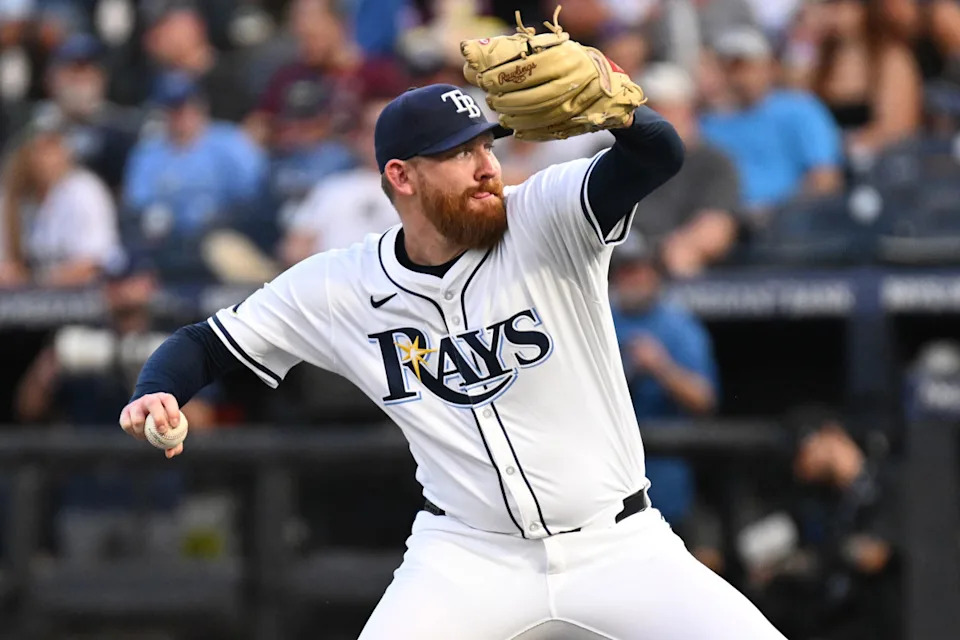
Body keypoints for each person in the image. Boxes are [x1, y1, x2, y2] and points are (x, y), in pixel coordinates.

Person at [118, 82, 786, 638]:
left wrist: (612, 100)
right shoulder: (341, 286)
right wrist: (158, 389)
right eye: (457, 154)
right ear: (400, 177)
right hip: (470, 555)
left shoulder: (546, 216)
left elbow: (655, 156)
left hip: (618, 544)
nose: (485, 165)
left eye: (484, 146)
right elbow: (205, 344)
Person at [122, 72, 267, 278]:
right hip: (166, 243)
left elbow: (254, 197)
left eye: (186, 107)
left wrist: (221, 220)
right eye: (173, 109)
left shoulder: (231, 142)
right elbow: (138, 205)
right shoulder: (148, 152)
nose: (180, 116)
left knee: (224, 249)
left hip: (223, 236)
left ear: (201, 107)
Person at [701, 27, 844, 216]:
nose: (738, 76)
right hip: (725, 219)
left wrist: (779, 212)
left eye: (745, 66)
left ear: (769, 67)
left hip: (790, 219)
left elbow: (825, 177)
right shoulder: (707, 124)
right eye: (729, 67)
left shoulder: (800, 110)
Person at [633, 63, 740, 276]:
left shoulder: (713, 163)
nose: (652, 118)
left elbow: (716, 228)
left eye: (663, 108)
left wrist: (669, 249)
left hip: (669, 260)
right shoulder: (612, 156)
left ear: (687, 111)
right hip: (617, 257)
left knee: (683, 258)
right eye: (647, 109)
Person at [279, 97, 399, 266]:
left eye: (388, 129)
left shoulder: (419, 189)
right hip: (327, 284)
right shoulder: (331, 188)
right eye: (370, 130)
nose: (378, 138)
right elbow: (296, 249)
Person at [0, 122, 120, 288]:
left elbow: (91, 265)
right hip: (31, 298)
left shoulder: (84, 191)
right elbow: (7, 267)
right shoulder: (14, 196)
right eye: (40, 149)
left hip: (86, 298)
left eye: (53, 148)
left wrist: (31, 282)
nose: (46, 158)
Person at [807, 0, 922, 157]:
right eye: (829, 5)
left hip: (878, 164)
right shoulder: (820, 62)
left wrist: (852, 145)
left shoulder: (892, 60)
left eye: (839, 5)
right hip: (828, 162)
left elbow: (899, 127)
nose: (832, 12)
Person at [34, 33, 142, 190]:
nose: (80, 84)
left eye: (87, 72)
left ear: (102, 79)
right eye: (73, 73)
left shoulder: (123, 130)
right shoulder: (35, 128)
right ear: (51, 79)